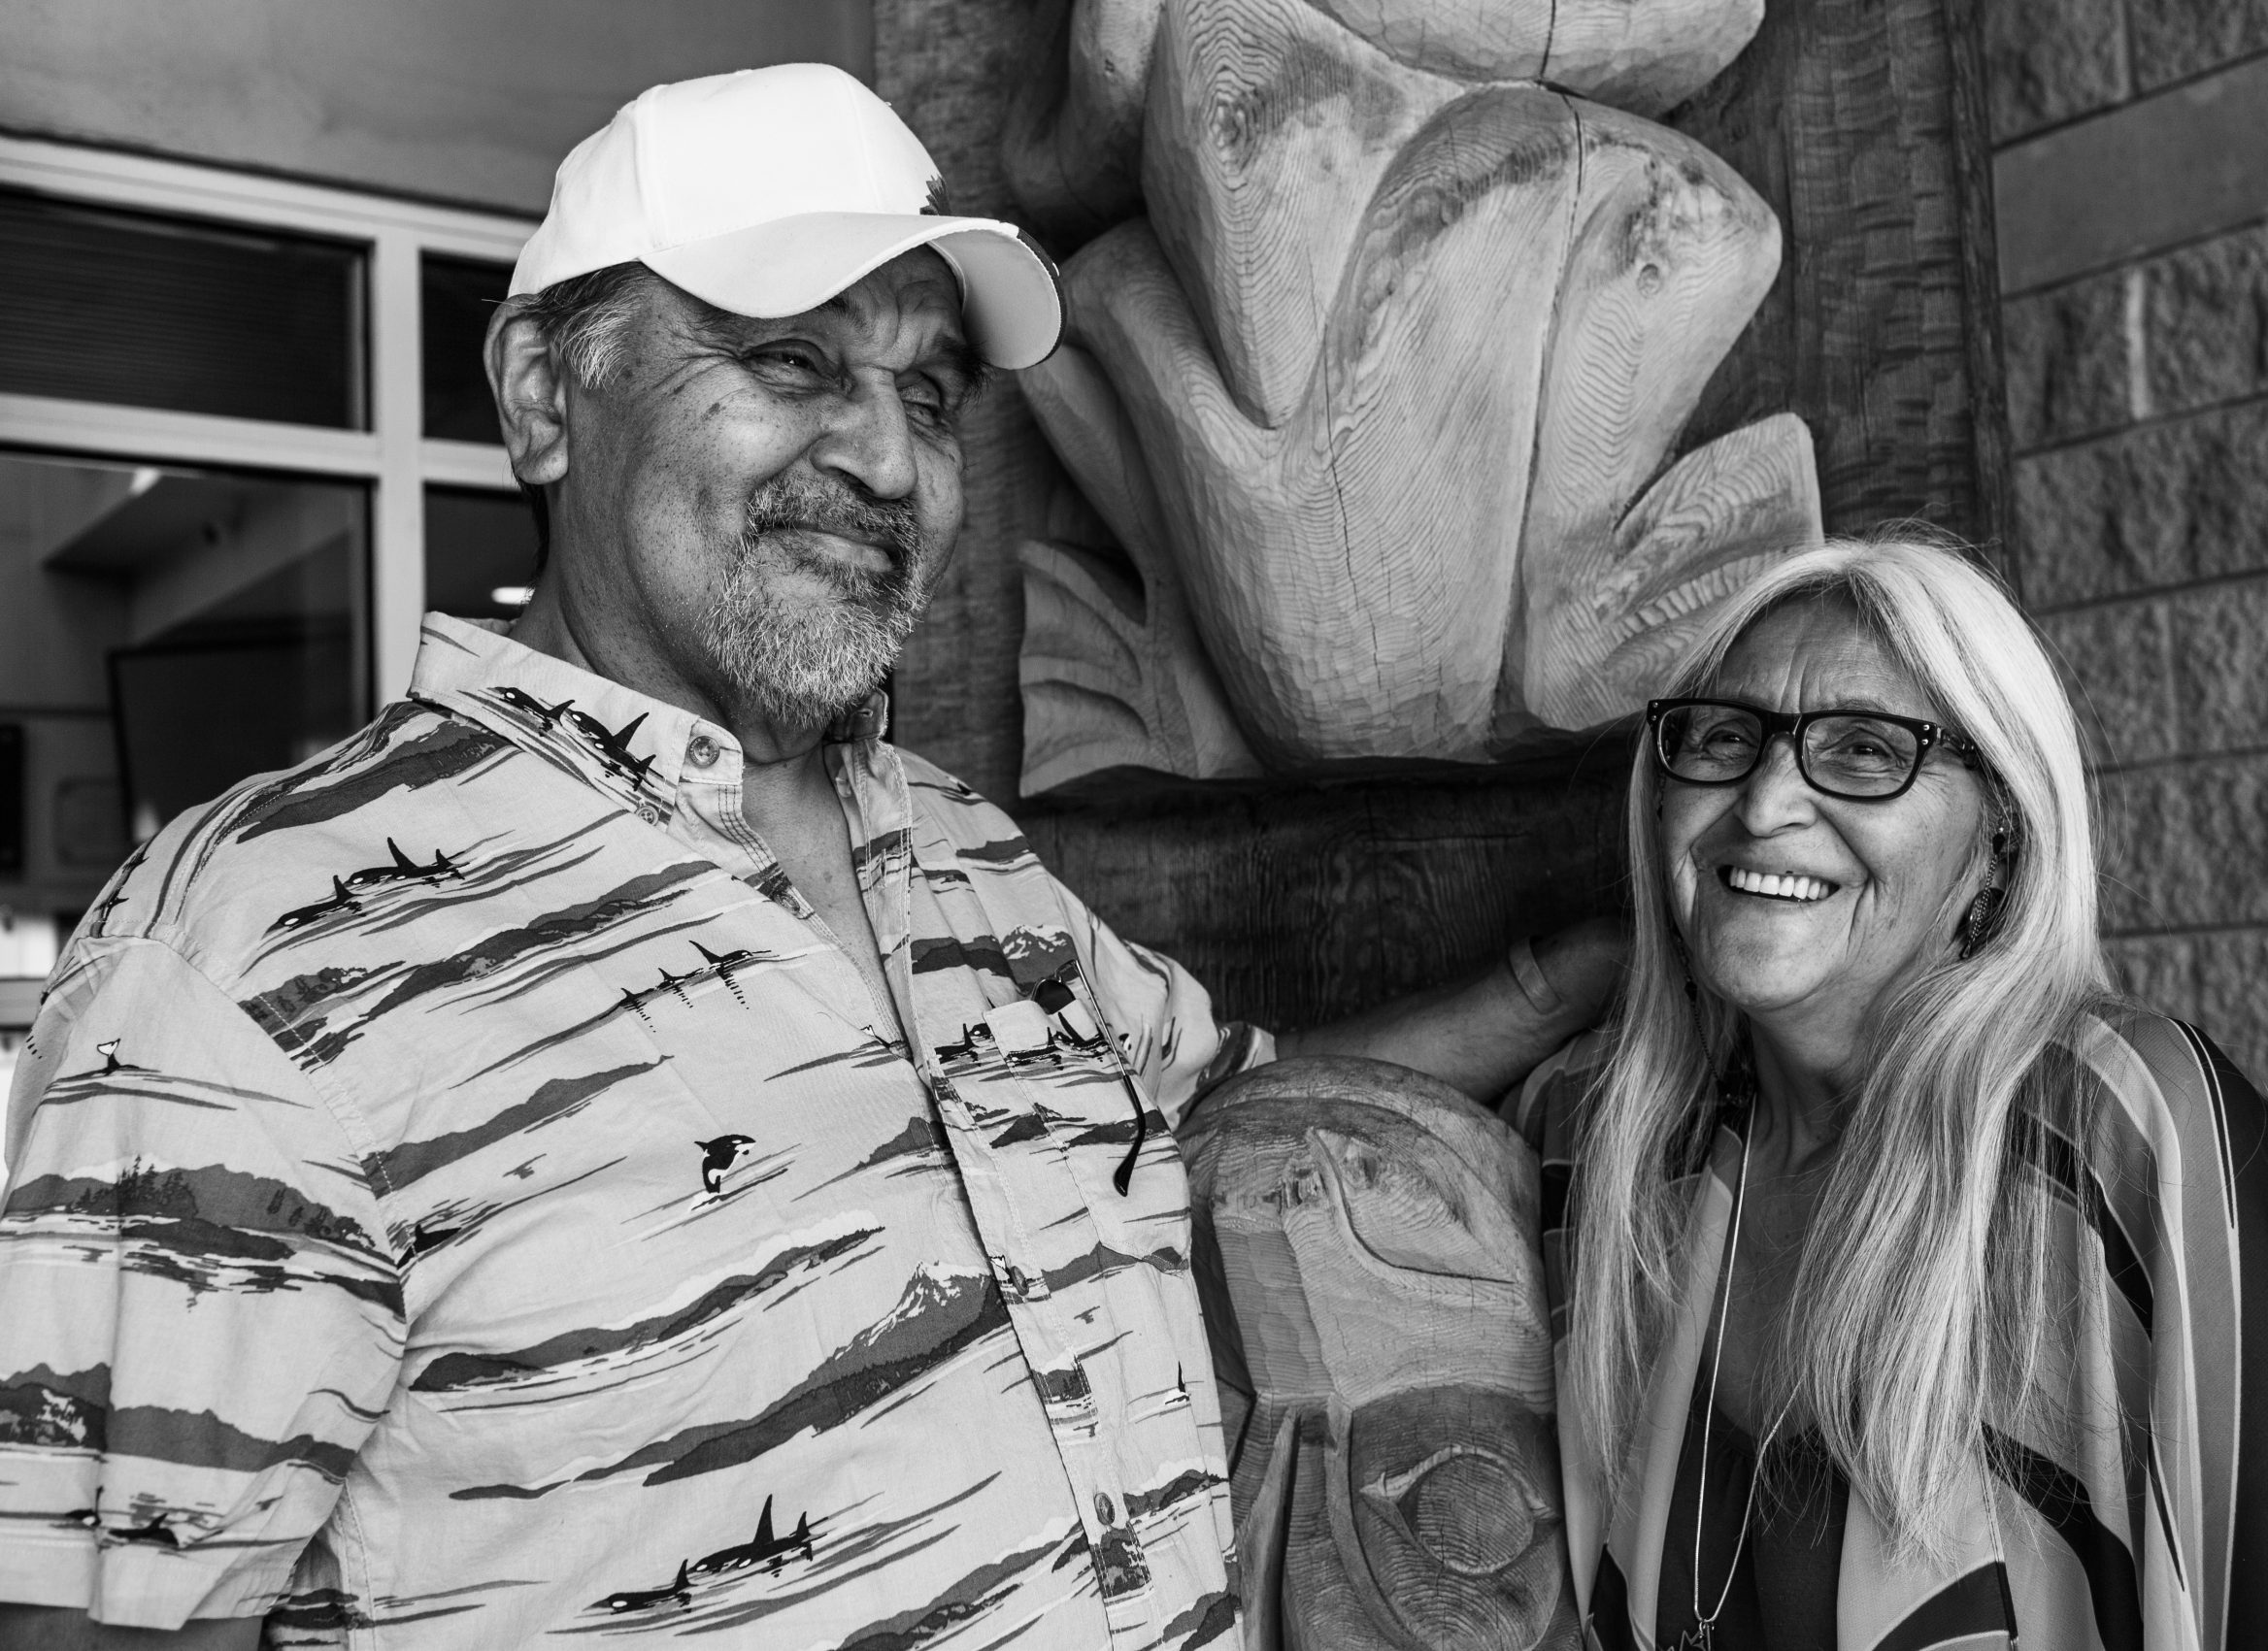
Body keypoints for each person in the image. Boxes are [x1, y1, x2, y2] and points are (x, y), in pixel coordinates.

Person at [0, 64, 1620, 1651]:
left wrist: (1571, 977)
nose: (892, 462)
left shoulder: (968, 857)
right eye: (791, 358)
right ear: (546, 394)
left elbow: (1235, 1118)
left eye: (930, 395)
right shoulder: (253, 960)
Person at [1506, 536, 2268, 1650]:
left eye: (1865, 750)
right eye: (1725, 737)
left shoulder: (2111, 1127)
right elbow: (1327, 1122)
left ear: (2000, 827)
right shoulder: (1604, 1139)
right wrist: (1549, 985)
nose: (1765, 801)